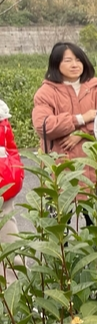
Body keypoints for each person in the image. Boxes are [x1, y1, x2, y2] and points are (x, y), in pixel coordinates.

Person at [32, 42, 97, 161]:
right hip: (60, 163)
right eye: (68, 61)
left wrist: (82, 133)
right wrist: (80, 119)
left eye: (78, 60)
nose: (74, 65)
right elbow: (44, 127)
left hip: (93, 164)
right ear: (56, 64)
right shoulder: (46, 92)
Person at [0, 98, 24, 285]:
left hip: (3, 187)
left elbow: (10, 150)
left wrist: (13, 172)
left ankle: (15, 298)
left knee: (9, 243)